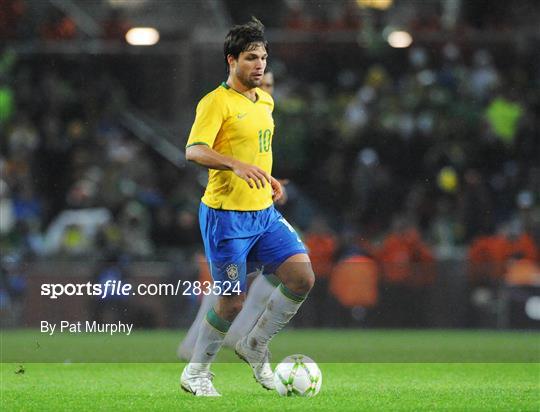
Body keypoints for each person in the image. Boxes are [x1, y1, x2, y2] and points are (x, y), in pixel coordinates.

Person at [180, 18, 315, 397]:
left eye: (263, 58)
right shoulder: (215, 102)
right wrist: (235, 164)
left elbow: (257, 150)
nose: (260, 65)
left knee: (302, 277)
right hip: (226, 217)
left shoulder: (265, 101)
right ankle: (196, 373)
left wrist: (269, 179)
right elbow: (194, 151)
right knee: (232, 301)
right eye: (251, 58)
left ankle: (255, 343)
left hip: (264, 214)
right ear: (232, 61)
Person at [177, 70, 282, 360]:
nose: (267, 89)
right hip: (229, 211)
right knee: (232, 281)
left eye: (271, 85)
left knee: (242, 277)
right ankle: (228, 335)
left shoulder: (264, 112)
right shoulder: (227, 107)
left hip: (256, 209)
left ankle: (221, 336)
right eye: (264, 83)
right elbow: (202, 151)